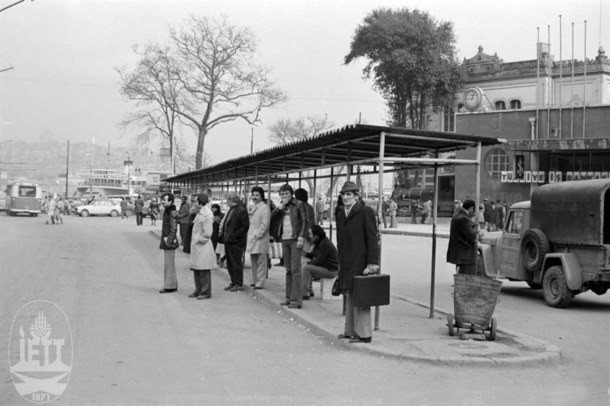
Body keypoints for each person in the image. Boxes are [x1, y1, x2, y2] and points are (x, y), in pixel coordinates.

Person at [336, 181, 380, 344]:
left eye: (349, 194)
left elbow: (372, 238)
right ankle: (350, 331)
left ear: (356, 196)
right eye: (343, 194)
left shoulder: (364, 211)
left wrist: (371, 264)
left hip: (361, 262)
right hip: (347, 261)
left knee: (361, 297)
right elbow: (340, 239)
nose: (345, 197)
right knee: (350, 295)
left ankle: (364, 334)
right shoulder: (341, 213)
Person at [270, 184, 307, 309]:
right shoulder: (281, 206)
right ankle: (288, 297)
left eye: (286, 194)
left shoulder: (298, 204)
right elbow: (271, 218)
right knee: (288, 270)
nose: (284, 196)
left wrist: (301, 237)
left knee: (296, 270)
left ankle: (296, 300)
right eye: (282, 194)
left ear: (291, 194)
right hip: (284, 239)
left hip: (295, 239)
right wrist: (279, 208)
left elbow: (304, 221)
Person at [219, 192, 249, 292]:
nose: (226, 202)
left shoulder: (241, 210)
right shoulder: (232, 210)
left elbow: (245, 226)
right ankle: (233, 281)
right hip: (228, 240)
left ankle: (239, 283)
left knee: (236, 262)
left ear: (231, 200)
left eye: (227, 200)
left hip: (236, 241)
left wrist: (234, 236)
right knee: (230, 263)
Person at [189, 194, 216, 300]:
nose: (193, 203)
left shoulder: (207, 214)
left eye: (195, 201)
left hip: (203, 246)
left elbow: (208, 232)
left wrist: (199, 240)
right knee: (197, 269)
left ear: (201, 202)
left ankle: (205, 292)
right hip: (197, 246)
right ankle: (198, 289)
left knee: (203, 270)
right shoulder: (200, 213)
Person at [302, 225, 339, 300]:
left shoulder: (325, 244)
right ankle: (307, 289)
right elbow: (316, 256)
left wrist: (307, 263)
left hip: (331, 270)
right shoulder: (320, 241)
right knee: (304, 263)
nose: (309, 236)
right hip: (326, 267)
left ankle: (304, 293)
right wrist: (306, 254)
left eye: (310, 234)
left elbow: (318, 261)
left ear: (316, 236)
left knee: (306, 268)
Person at [447, 199, 479, 275]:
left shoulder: (458, 215)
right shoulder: (463, 218)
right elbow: (471, 236)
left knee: (461, 276)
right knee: (466, 278)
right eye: (474, 211)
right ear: (471, 209)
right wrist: (476, 226)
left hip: (461, 254)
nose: (474, 214)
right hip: (465, 255)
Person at [246, 186, 270, 289]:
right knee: (254, 260)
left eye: (257, 195)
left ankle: (260, 283)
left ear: (262, 196)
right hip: (252, 237)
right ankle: (255, 280)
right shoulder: (253, 206)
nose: (255, 197)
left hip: (260, 238)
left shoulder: (265, 208)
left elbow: (265, 224)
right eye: (253, 195)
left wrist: (257, 235)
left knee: (261, 261)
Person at [159, 193, 179, 293]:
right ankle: (172, 285)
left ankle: (169, 286)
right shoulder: (168, 210)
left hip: (169, 242)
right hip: (168, 241)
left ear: (170, 201)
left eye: (165, 200)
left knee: (169, 264)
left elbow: (174, 228)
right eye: (162, 199)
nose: (162, 201)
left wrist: (168, 241)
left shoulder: (171, 212)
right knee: (169, 264)